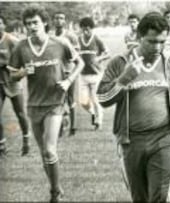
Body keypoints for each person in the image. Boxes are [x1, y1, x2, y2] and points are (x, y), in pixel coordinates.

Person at [97, 12, 170, 202]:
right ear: (139, 37)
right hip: (131, 141)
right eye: (151, 41)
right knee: (139, 198)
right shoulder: (120, 63)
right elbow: (102, 98)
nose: (157, 47)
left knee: (160, 197)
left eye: (162, 42)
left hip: (163, 138)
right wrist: (124, 79)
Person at [8, 6, 84, 202]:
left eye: (35, 22)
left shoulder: (59, 43)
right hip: (34, 105)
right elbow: (12, 75)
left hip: (55, 104)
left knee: (50, 150)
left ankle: (53, 194)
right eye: (28, 23)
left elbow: (80, 63)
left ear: (44, 23)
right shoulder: (21, 47)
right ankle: (56, 186)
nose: (32, 27)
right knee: (43, 154)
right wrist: (23, 73)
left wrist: (68, 81)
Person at [0, 15, 31, 157]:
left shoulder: (11, 40)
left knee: (20, 113)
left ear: (3, 25)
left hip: (13, 82)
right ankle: (2, 146)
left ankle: (26, 141)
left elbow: (26, 56)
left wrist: (20, 71)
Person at [78, 17, 110, 130]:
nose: (86, 31)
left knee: (96, 100)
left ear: (92, 29)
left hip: (96, 74)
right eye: (83, 29)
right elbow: (75, 54)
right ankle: (92, 113)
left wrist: (99, 58)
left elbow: (107, 53)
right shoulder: (78, 40)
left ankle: (98, 122)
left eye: (88, 29)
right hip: (83, 75)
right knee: (83, 102)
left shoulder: (97, 39)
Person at [53, 11, 80, 136]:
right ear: (53, 21)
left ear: (65, 21)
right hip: (56, 72)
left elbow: (77, 54)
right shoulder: (50, 36)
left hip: (69, 71)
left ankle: (73, 128)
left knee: (71, 99)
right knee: (58, 100)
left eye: (61, 18)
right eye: (56, 18)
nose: (58, 20)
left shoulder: (71, 36)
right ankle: (59, 128)